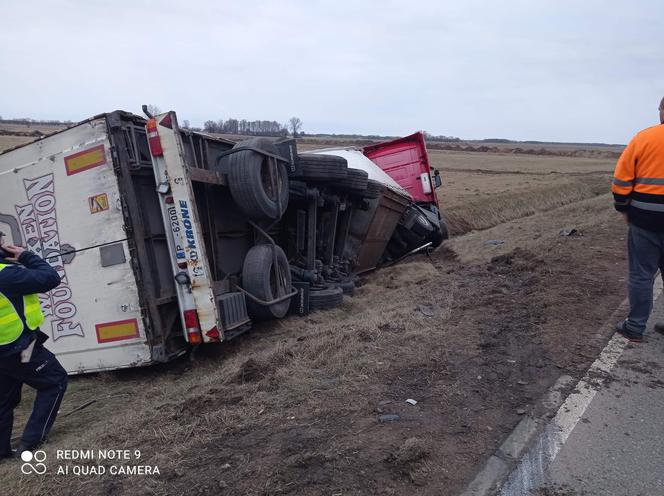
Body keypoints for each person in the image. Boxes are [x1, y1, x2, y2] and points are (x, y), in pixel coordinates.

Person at [0, 243, 65, 458]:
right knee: (54, 381)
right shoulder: (6, 275)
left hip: (4, 350)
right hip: (19, 348)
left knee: (4, 401)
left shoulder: (8, 273)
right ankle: (31, 444)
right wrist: (26, 256)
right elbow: (50, 278)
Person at [612, 96, 664, 342]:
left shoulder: (644, 138)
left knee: (641, 274)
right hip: (645, 220)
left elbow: (622, 179)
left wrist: (623, 208)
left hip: (645, 220)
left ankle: (634, 327)